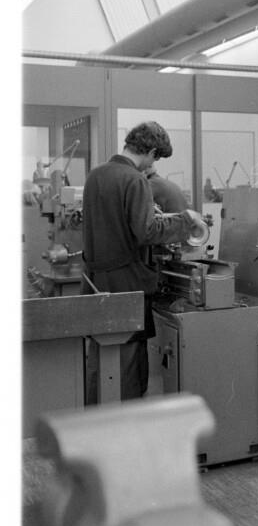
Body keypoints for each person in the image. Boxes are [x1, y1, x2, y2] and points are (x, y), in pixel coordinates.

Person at [82, 122, 202, 400]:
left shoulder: (95, 175)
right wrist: (186, 220)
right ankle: (127, 420)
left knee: (100, 356)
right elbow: (146, 231)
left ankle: (94, 416)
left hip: (96, 283)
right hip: (126, 285)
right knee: (128, 362)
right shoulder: (134, 180)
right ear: (150, 151)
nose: (152, 165)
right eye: (155, 158)